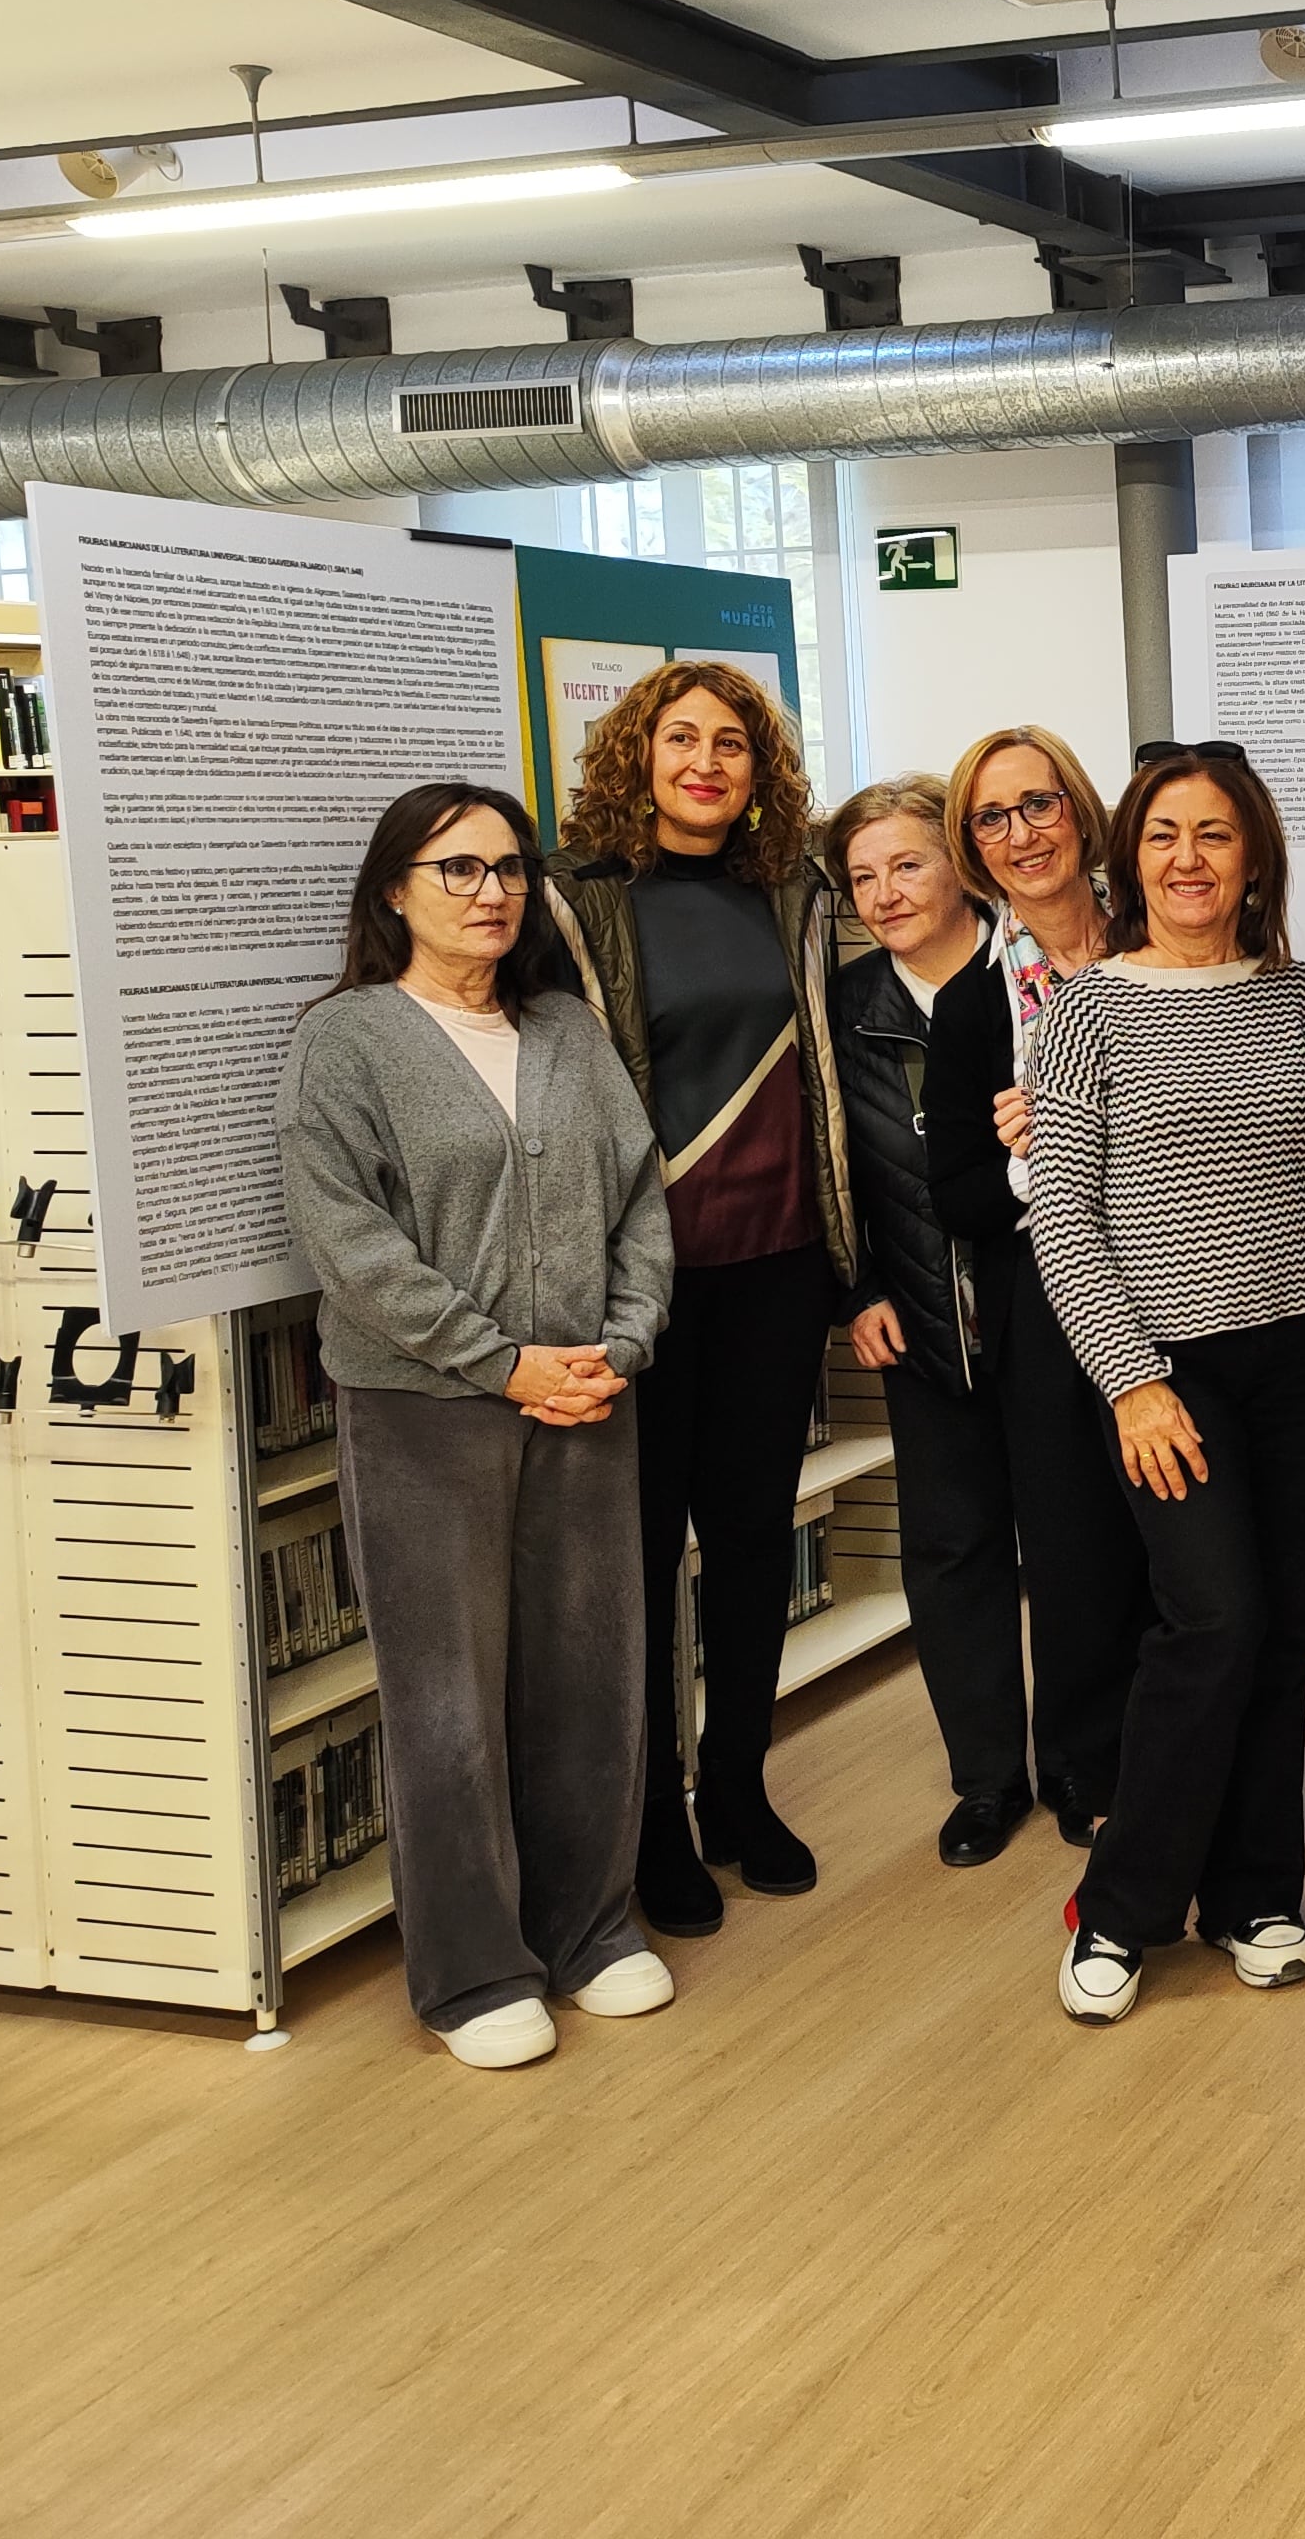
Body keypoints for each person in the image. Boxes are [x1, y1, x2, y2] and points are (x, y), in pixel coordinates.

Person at [278, 782, 673, 2068]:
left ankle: (590, 1931)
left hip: (587, 1396)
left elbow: (640, 1198)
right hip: (429, 1412)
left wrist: (620, 1342)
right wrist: (503, 1366)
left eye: (507, 869)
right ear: (394, 889)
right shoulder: (345, 1040)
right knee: (447, 1699)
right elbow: (350, 1245)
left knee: (591, 1678)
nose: (490, 891)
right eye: (456, 870)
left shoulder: (565, 1027)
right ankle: (471, 1969)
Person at [1031, 743, 1305, 2022]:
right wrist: (1129, 1382)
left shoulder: (1301, 999)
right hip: (1167, 1366)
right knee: (1209, 1618)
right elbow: (1061, 1211)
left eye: (1213, 835)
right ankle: (1119, 1911)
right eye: (1164, 834)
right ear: (1131, 856)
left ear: (1253, 857)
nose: (1186, 859)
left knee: (1280, 1629)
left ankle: (1254, 1894)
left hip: (1300, 1348)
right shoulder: (1087, 1010)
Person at [546, 661, 859, 1937]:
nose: (707, 763)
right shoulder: (574, 900)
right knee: (638, 1555)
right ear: (637, 753)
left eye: (732, 743)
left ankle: (737, 1784)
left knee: (745, 1544)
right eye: (681, 739)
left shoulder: (791, 885)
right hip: (643, 1281)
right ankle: (651, 1818)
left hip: (776, 1265)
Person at [918, 721, 1146, 1861]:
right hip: (1046, 1303)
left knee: (1187, 1542)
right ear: (972, 844)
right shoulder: (970, 1007)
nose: (1022, 834)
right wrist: (1030, 1159)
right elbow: (955, 1191)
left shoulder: (1163, 934)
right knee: (1072, 1552)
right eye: (992, 818)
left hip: (1183, 1280)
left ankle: (1193, 1749)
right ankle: (1088, 1770)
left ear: (1081, 810)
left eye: (1039, 804)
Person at [822, 771, 1053, 1869]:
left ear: (961, 860)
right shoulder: (844, 1008)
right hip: (918, 1323)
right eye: (861, 877)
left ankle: (1084, 1765)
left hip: (1049, 1312)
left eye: (906, 864)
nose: (884, 894)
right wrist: (856, 1290)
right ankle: (986, 1781)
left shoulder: (1038, 979)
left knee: (1069, 1547)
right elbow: (827, 1171)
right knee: (952, 1550)